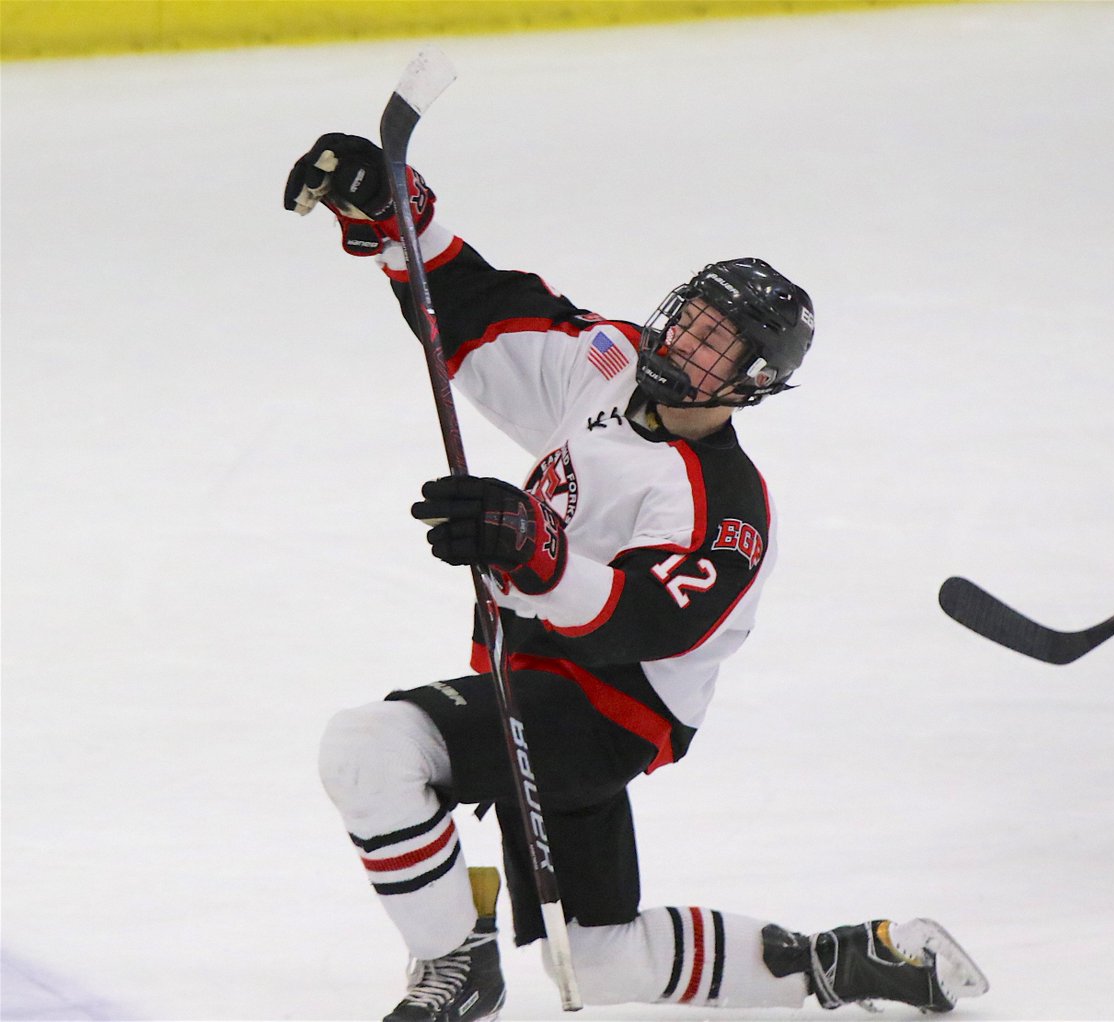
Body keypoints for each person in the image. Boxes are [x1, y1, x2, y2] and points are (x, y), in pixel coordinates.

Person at [284, 133, 988, 1022]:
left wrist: (526, 547)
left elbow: (637, 623)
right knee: (605, 962)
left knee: (373, 748)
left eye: (716, 344)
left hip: (604, 714)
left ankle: (458, 964)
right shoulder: (609, 363)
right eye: (690, 315)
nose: (684, 338)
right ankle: (844, 965)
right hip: (532, 680)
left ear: (753, 382)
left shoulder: (723, 504)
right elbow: (477, 319)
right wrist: (400, 224)